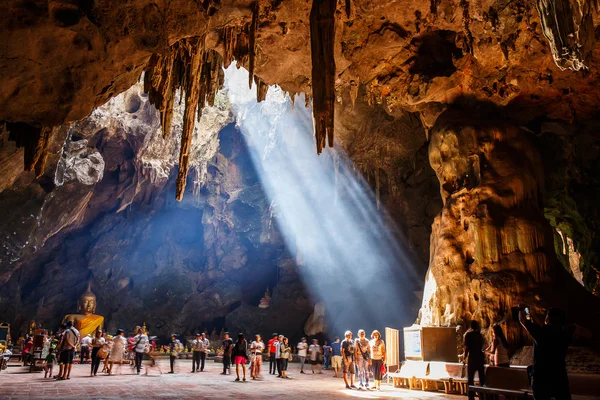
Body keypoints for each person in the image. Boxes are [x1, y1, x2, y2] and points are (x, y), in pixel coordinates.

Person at [519, 306, 574, 400]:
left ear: (548, 318)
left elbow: (523, 321)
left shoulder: (541, 331)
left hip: (541, 378)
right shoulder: (565, 333)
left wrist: (522, 309)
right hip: (559, 377)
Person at [463, 320, 486, 400]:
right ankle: (482, 395)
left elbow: (466, 348)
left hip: (472, 358)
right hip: (480, 357)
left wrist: (464, 357)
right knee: (482, 378)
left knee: (470, 378)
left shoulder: (468, 335)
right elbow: (482, 346)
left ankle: (471, 396)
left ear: (471, 326)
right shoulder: (479, 335)